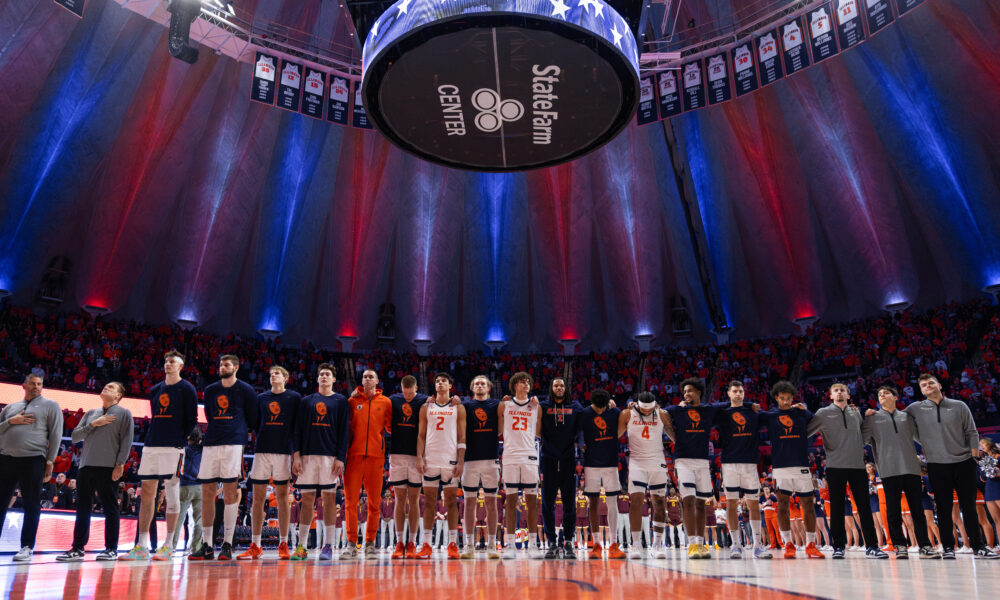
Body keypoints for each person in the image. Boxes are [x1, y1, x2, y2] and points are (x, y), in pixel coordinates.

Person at [906, 373, 998, 559]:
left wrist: (973, 455)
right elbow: (897, 418)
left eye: (931, 382)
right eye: (923, 385)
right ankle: (948, 548)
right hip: (937, 465)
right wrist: (923, 441)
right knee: (944, 508)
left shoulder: (959, 405)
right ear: (921, 390)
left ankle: (978, 547)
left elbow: (972, 431)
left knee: (969, 507)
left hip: (963, 463)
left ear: (939, 385)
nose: (927, 386)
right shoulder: (915, 408)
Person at [122, 351, 197, 561]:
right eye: (165, 361)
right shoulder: (155, 390)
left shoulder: (187, 389)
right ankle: (141, 545)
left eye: (172, 362)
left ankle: (169, 544)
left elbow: (191, 420)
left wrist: (179, 440)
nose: (167, 364)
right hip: (151, 445)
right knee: (147, 493)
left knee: (172, 492)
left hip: (174, 447)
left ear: (180, 366)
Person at [189, 355, 259, 561]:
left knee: (230, 493)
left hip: (234, 443)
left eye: (227, 364)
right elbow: (210, 415)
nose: (222, 367)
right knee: (208, 493)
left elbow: (253, 417)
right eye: (220, 364)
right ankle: (207, 545)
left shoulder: (245, 390)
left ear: (236, 367)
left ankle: (228, 543)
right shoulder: (210, 390)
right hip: (211, 441)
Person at [56, 382, 134, 562]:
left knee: (110, 507)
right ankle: (77, 548)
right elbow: (75, 437)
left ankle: (111, 549)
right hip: (86, 466)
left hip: (108, 467)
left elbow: (127, 441)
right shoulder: (91, 414)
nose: (106, 387)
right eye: (106, 386)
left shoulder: (124, 414)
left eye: (112, 387)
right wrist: (93, 424)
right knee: (82, 507)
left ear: (118, 396)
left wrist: (120, 465)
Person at [807, 383, 885, 559]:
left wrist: (869, 418)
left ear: (849, 395)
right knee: (837, 509)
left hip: (858, 466)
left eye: (843, 390)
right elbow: (806, 432)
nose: (840, 392)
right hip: (835, 467)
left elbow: (863, 437)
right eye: (836, 390)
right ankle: (838, 547)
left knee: (864, 508)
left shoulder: (855, 412)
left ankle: (872, 547)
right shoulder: (823, 413)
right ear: (831, 395)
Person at [861, 384, 940, 558]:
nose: (882, 395)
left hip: (911, 469)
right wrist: (861, 418)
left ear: (895, 397)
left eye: (886, 392)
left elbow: (921, 437)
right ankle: (899, 546)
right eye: (880, 394)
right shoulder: (872, 418)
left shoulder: (907, 417)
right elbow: (861, 439)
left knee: (917, 510)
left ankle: (925, 546)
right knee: (893, 511)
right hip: (888, 471)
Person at [238, 365, 301, 560]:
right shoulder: (261, 398)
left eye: (277, 373)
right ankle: (255, 544)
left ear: (285, 378)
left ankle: (283, 543)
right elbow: (255, 424)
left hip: (283, 452)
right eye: (271, 373)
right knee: (257, 499)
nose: (273, 375)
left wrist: (296, 453)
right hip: (262, 451)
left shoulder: (293, 398)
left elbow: (296, 428)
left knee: (282, 498)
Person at [0, 374, 63, 562]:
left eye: (40, 384)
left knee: (31, 503)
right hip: (6, 458)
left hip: (33, 459)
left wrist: (50, 461)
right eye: (33, 383)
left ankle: (27, 547)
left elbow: (56, 434)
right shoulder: (11, 408)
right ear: (24, 385)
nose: (36, 387)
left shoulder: (51, 406)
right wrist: (12, 421)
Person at [290, 363, 350, 560]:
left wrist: (341, 458)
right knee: (307, 501)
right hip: (307, 456)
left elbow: (344, 432)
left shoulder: (341, 401)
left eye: (328, 375)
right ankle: (301, 547)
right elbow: (297, 429)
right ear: (317, 379)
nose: (324, 377)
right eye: (321, 374)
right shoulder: (306, 401)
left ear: (334, 379)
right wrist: (296, 455)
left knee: (329, 501)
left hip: (330, 457)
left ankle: (328, 546)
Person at [760, 381, 824, 559]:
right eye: (782, 398)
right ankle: (788, 544)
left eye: (789, 398)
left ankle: (811, 544)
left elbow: (817, 420)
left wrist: (806, 409)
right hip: (780, 467)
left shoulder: (800, 413)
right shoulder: (770, 415)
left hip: (801, 465)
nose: (786, 402)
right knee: (782, 506)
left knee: (808, 506)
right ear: (776, 398)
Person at [666, 378, 722, 559]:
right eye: (684, 391)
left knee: (701, 503)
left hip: (702, 462)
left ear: (699, 392)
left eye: (690, 391)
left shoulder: (708, 410)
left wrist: (750, 403)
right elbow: (659, 413)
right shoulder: (677, 410)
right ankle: (691, 544)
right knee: (688, 499)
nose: (686, 394)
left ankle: (700, 542)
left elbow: (730, 404)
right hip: (683, 461)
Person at [714, 381, 770, 559]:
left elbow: (772, 417)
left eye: (741, 391)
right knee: (731, 503)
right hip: (729, 463)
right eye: (734, 391)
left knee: (753, 504)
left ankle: (757, 546)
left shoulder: (753, 413)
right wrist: (746, 404)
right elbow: (708, 407)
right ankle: (736, 545)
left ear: (744, 393)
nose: (738, 394)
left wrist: (748, 406)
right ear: (728, 394)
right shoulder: (723, 413)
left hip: (750, 463)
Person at [617, 391, 675, 559]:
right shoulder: (628, 413)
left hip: (658, 462)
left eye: (650, 410)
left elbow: (673, 436)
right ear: (638, 405)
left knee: (659, 502)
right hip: (636, 462)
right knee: (635, 501)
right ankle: (635, 545)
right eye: (645, 410)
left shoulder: (662, 414)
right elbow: (615, 435)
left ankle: (657, 545)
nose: (648, 413)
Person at [415, 373, 466, 559]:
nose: (440, 383)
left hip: (450, 460)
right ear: (434, 386)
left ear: (450, 385)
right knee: (428, 502)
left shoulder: (458, 407)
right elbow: (420, 435)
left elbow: (462, 436)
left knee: (451, 502)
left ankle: (453, 544)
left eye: (444, 380)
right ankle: (426, 544)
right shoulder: (425, 407)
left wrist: (461, 460)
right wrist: (419, 457)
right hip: (430, 459)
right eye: (437, 381)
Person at [342, 369, 392, 559]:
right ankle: (351, 544)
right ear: (361, 380)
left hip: (376, 458)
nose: (368, 379)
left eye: (371, 376)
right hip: (353, 457)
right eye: (365, 376)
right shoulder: (352, 402)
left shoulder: (386, 402)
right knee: (350, 503)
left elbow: (391, 427)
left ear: (377, 380)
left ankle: (370, 543)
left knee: (374, 503)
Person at [498, 372, 542, 559]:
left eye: (528, 382)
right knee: (510, 502)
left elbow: (539, 431)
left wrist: (538, 405)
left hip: (529, 455)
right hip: (509, 456)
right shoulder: (505, 404)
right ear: (514, 385)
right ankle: (510, 545)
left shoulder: (535, 406)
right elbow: (498, 430)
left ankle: (533, 544)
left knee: (532, 502)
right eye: (522, 382)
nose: (526, 384)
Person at [539, 377, 584, 559]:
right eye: (556, 385)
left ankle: (567, 542)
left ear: (566, 388)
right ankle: (551, 543)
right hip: (548, 460)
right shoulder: (542, 406)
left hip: (567, 460)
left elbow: (590, 414)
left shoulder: (575, 406)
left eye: (562, 385)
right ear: (551, 388)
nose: (559, 388)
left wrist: (609, 403)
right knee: (547, 505)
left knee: (569, 505)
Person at [578, 388, 624, 559]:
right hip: (591, 463)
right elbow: (579, 431)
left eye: (602, 408)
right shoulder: (584, 413)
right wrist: (582, 444)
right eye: (596, 408)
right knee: (594, 502)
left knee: (612, 502)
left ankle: (613, 543)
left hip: (611, 462)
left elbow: (622, 427)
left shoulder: (614, 411)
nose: (599, 411)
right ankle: (596, 544)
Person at [459, 375, 501, 559]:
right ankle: (469, 544)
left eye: (483, 383)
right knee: (469, 504)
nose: (480, 385)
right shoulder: (465, 406)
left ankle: (492, 545)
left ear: (488, 388)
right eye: (476, 383)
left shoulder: (497, 405)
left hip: (491, 459)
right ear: (472, 388)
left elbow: (500, 430)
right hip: (470, 460)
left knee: (492, 503)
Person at [387, 375, 428, 559]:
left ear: (416, 388)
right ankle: (399, 542)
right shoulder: (393, 400)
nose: (408, 396)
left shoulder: (425, 400)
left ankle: (412, 542)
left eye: (411, 393)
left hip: (416, 456)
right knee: (399, 499)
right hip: (396, 453)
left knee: (414, 499)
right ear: (401, 389)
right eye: (405, 393)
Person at [168, 429, 203, 555]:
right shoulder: (203, 450)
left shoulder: (184, 450)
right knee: (198, 521)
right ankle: (196, 548)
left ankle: (171, 546)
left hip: (185, 486)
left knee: (179, 518)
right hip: (201, 487)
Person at [980, 438, 1000, 550]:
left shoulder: (998, 456)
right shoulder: (985, 459)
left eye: (983, 443)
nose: (982, 446)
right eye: (980, 444)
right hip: (989, 489)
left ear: (990, 444)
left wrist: (996, 472)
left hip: (998, 487)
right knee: (996, 520)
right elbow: (982, 478)